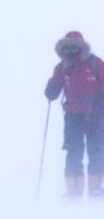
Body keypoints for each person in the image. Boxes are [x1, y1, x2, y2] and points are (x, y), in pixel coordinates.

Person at [44, 31, 104, 198]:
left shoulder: (95, 63)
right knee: (73, 150)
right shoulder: (62, 67)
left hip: (95, 114)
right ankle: (74, 191)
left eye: (74, 47)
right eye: (67, 47)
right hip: (72, 116)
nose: (70, 51)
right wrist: (51, 90)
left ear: (81, 46)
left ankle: (96, 188)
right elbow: (55, 85)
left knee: (96, 150)